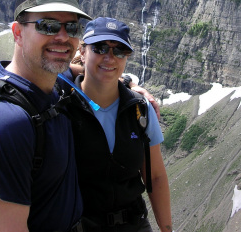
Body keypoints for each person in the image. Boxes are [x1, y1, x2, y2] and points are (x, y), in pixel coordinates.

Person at [0, 0, 90, 232]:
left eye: (72, 28)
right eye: (48, 26)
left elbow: (81, 72)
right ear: (17, 33)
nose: (63, 37)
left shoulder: (54, 89)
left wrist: (126, 84)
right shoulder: (2, 123)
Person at [65, 17, 173, 232]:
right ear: (83, 51)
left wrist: (166, 229)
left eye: (120, 51)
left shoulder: (140, 109)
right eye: (100, 48)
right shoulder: (63, 105)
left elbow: (155, 176)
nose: (110, 57)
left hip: (133, 224)